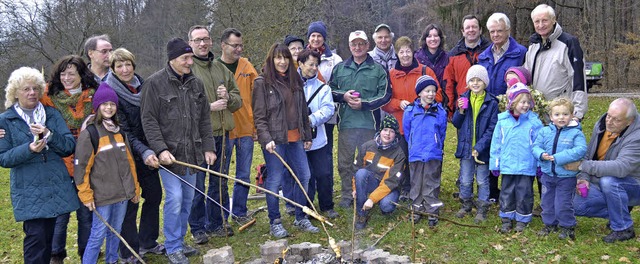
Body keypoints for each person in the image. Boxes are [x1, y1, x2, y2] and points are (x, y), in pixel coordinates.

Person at [140, 38, 216, 264]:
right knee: (174, 198)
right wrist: (160, 149)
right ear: (172, 59)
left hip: (192, 154)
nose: (190, 62)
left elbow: (204, 119)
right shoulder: (154, 84)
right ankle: (172, 247)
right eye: (185, 58)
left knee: (188, 199)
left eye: (191, 57)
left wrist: (209, 147)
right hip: (169, 157)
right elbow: (148, 120)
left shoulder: (196, 84)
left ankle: (180, 241)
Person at [0, 67, 78, 264]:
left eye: (35, 88)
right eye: (26, 89)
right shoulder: (6, 120)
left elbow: (69, 146)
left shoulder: (51, 115)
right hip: (29, 189)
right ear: (15, 92)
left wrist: (50, 135)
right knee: (35, 239)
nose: (32, 93)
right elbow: (3, 158)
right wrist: (29, 149)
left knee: (48, 237)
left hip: (54, 185)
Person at [104, 48, 165, 262]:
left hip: (148, 154)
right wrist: (144, 150)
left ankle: (148, 241)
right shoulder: (109, 93)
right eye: (119, 66)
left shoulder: (144, 86)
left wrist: (156, 147)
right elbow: (124, 132)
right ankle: (128, 251)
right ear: (112, 69)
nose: (125, 69)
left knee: (155, 195)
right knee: (130, 203)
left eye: (128, 64)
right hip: (124, 156)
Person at [252, 43, 319, 238]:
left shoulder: (295, 79)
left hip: (296, 137)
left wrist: (306, 135)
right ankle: (275, 221)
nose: (282, 62)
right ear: (271, 60)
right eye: (278, 58)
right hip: (275, 139)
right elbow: (259, 116)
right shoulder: (262, 82)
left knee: (304, 175)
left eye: (285, 58)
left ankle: (301, 216)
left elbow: (302, 109)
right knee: (274, 179)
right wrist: (266, 139)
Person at [187, 25, 242, 244]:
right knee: (198, 184)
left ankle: (218, 222)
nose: (202, 44)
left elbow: (238, 102)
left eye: (206, 39)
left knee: (218, 182)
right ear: (190, 43)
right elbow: (182, 107)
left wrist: (228, 97)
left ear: (211, 42)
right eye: (197, 40)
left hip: (222, 134)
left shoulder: (221, 69)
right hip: (198, 137)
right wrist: (209, 107)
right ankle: (198, 227)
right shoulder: (187, 69)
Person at [75, 83, 140, 264]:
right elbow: (81, 168)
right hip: (102, 196)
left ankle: (112, 261)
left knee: (116, 232)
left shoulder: (120, 132)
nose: (109, 107)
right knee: (98, 235)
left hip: (122, 195)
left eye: (112, 104)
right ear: (97, 107)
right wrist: (86, 194)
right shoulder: (90, 133)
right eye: (104, 104)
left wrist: (134, 188)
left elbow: (130, 164)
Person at [41, 55, 97, 262]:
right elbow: (23, 108)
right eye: (63, 74)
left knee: (86, 211)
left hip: (87, 160)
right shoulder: (48, 96)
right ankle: (56, 254)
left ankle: (87, 251)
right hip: (59, 160)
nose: (66, 78)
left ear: (81, 75)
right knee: (60, 212)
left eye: (71, 74)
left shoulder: (93, 96)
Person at [329, 30, 391, 208]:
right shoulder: (340, 68)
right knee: (345, 163)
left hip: (369, 125)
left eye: (361, 44)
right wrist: (344, 96)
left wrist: (364, 103)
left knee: (369, 163)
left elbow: (385, 95)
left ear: (367, 46)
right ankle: (348, 195)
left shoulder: (378, 69)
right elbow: (330, 91)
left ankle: (368, 194)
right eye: (354, 44)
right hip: (347, 125)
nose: (357, 47)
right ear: (349, 47)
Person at [568, 98, 640, 243]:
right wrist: (583, 177)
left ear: (629, 121)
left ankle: (623, 228)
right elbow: (589, 154)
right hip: (602, 179)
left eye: (616, 120)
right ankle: (620, 209)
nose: (609, 121)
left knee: (610, 182)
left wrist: (582, 166)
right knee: (572, 203)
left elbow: (621, 168)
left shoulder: (637, 137)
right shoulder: (602, 124)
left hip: (632, 183)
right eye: (609, 116)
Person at [381, 36, 440, 199]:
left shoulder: (425, 71)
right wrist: (398, 103)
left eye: (408, 51)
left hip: (423, 127)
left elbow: (438, 95)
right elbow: (384, 101)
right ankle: (406, 189)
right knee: (403, 159)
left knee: (423, 160)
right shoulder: (391, 75)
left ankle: (426, 188)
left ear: (413, 52)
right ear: (397, 54)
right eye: (401, 52)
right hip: (400, 126)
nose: (405, 55)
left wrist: (421, 103)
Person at [218, 28, 260, 223]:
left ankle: (240, 212)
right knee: (221, 175)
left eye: (240, 45)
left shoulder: (246, 66)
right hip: (223, 130)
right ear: (223, 45)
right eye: (234, 45)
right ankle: (221, 214)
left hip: (245, 129)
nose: (238, 49)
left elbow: (258, 97)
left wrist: (257, 125)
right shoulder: (214, 67)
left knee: (243, 174)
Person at [490, 83, 543, 233]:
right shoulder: (502, 121)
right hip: (508, 165)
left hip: (527, 166)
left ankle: (522, 219)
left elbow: (539, 144)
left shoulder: (534, 122)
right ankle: (506, 218)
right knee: (507, 192)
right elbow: (496, 144)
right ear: (513, 103)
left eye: (528, 102)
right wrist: (495, 164)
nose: (525, 105)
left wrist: (539, 164)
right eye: (522, 102)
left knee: (524, 193)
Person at [532, 97, 587, 240]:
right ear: (551, 116)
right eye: (557, 114)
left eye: (565, 114)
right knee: (547, 201)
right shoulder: (545, 132)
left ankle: (567, 226)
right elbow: (536, 146)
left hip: (566, 176)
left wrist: (559, 157)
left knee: (563, 202)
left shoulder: (576, 133)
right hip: (547, 174)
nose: (561, 117)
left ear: (571, 115)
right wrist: (541, 154)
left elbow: (581, 150)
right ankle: (549, 224)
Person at [451, 65, 499, 223]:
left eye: (479, 80)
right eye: (472, 80)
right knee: (465, 178)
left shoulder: (491, 103)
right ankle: (466, 204)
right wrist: (460, 111)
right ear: (467, 83)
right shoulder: (463, 99)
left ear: (485, 82)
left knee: (482, 180)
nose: (475, 83)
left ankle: (482, 206)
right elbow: (456, 124)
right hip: (466, 148)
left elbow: (492, 128)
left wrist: (479, 147)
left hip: (482, 150)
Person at [524, 4, 587, 120]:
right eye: (537, 22)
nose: (541, 25)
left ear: (553, 20)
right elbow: (527, 75)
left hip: (561, 114)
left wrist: (578, 113)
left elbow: (578, 79)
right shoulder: (533, 45)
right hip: (536, 113)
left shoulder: (569, 43)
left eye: (544, 20)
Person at [297, 49, 338, 218]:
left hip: (318, 139)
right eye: (310, 64)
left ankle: (327, 205)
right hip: (297, 140)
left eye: (316, 65)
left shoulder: (323, 88)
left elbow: (328, 109)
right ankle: (306, 208)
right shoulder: (291, 85)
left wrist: (311, 119)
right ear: (300, 64)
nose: (314, 68)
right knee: (305, 175)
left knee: (323, 173)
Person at [402, 75, 447, 226]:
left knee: (431, 181)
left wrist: (437, 145)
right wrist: (413, 144)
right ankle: (416, 209)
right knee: (416, 182)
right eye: (427, 91)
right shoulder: (410, 111)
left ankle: (431, 211)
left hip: (432, 153)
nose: (430, 94)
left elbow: (442, 131)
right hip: (415, 153)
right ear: (419, 93)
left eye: (433, 91)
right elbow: (407, 131)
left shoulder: (440, 111)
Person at [353, 115, 406, 229]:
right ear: (380, 131)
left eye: (391, 131)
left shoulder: (399, 154)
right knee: (361, 173)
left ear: (395, 135)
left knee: (386, 206)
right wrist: (354, 189)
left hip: (389, 187)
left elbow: (391, 181)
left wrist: (372, 199)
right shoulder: (367, 146)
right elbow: (356, 169)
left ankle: (377, 201)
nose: (387, 134)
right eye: (385, 130)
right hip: (371, 181)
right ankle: (362, 211)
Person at [443, 15, 490, 118]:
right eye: (467, 27)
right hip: (463, 106)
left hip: (486, 107)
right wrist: (450, 109)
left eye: (474, 27)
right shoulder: (453, 55)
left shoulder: (490, 51)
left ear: (480, 30)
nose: (471, 30)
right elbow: (449, 83)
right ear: (463, 31)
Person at [478, 12, 527, 96]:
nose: (495, 35)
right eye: (492, 32)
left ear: (508, 31)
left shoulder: (521, 53)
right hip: (488, 107)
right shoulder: (483, 57)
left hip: (511, 105)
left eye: (499, 31)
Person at [414, 24, 449, 88]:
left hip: (443, 96)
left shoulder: (447, 58)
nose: (433, 39)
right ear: (425, 39)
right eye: (429, 36)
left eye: (435, 36)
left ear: (440, 38)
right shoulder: (416, 58)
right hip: (423, 96)